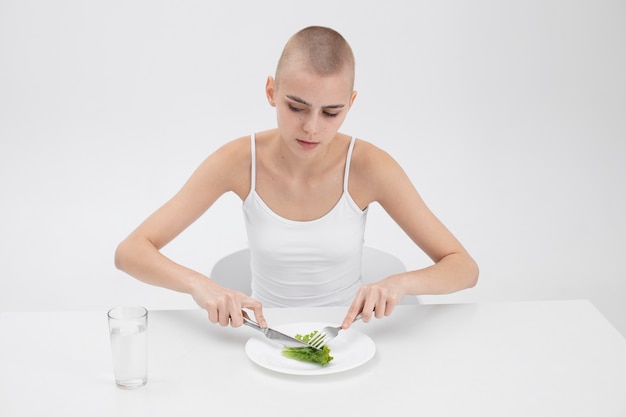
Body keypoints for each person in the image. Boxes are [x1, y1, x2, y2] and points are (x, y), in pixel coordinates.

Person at [114, 26, 478, 331]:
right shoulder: (239, 161)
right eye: (296, 106)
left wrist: (400, 284)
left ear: (350, 104)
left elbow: (463, 267)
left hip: (348, 339)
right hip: (264, 338)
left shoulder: (370, 166)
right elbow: (130, 251)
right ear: (271, 91)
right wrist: (200, 286)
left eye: (331, 113)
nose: (312, 127)